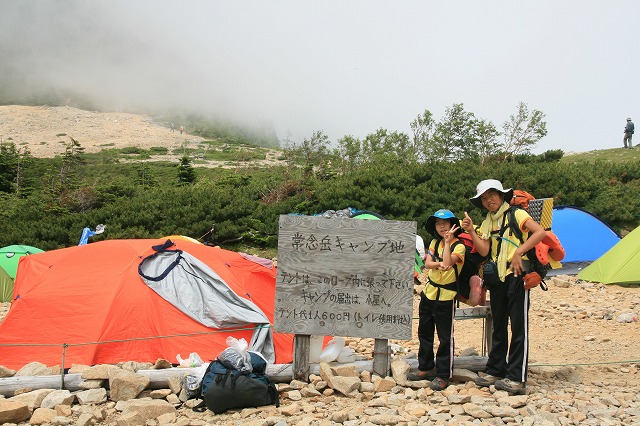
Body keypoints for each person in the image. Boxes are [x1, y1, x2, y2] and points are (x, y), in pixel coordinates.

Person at [460, 179, 546, 395]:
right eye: (484, 198)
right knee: (499, 324)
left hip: (517, 274)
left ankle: (517, 378)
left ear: (501, 195)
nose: (489, 200)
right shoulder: (489, 221)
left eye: (492, 195)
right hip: (498, 277)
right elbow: (483, 251)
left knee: (518, 327)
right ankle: (496, 370)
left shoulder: (516, 214)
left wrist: (518, 252)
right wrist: (471, 231)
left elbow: (539, 233)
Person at [408, 209, 465, 391]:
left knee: (445, 337)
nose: (442, 227)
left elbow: (448, 263)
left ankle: (443, 374)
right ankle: (425, 366)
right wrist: (438, 263)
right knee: (424, 331)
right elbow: (428, 264)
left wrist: (447, 244)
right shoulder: (433, 242)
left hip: (446, 297)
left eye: (445, 223)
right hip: (429, 292)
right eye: (438, 224)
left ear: (452, 225)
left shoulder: (459, 246)